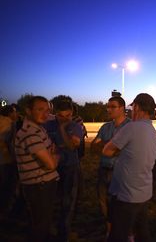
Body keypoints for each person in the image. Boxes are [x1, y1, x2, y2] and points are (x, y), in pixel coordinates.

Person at [103, 93, 156, 242]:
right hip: (144, 192)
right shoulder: (153, 132)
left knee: (118, 235)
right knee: (141, 232)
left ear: (138, 107)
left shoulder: (132, 127)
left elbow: (107, 151)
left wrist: (121, 150)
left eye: (132, 107)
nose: (131, 110)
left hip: (127, 194)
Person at [14, 96, 59, 242]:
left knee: (42, 222)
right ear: (28, 111)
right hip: (39, 185)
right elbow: (51, 164)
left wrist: (52, 154)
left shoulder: (38, 128)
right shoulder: (30, 133)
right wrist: (55, 156)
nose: (45, 114)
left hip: (42, 184)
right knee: (40, 225)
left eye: (47, 110)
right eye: (40, 109)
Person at [91, 96, 130, 236]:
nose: (108, 109)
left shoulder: (130, 127)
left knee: (121, 203)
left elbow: (127, 150)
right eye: (108, 106)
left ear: (122, 108)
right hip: (104, 169)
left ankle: (122, 230)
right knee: (103, 201)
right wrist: (113, 147)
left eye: (112, 106)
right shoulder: (106, 127)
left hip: (121, 172)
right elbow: (93, 147)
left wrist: (107, 146)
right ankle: (109, 227)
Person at [44, 100, 83, 241]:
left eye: (68, 115)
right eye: (61, 116)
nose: (65, 119)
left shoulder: (75, 126)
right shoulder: (47, 125)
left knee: (68, 201)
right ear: (55, 114)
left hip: (70, 167)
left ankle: (64, 233)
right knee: (52, 200)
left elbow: (72, 147)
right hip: (51, 167)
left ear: (72, 114)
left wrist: (61, 129)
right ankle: (49, 229)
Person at [0, 105, 19, 213]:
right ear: (10, 113)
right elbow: (4, 141)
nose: (16, 114)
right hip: (4, 160)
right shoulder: (8, 122)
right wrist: (11, 156)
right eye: (15, 112)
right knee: (7, 184)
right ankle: (5, 208)